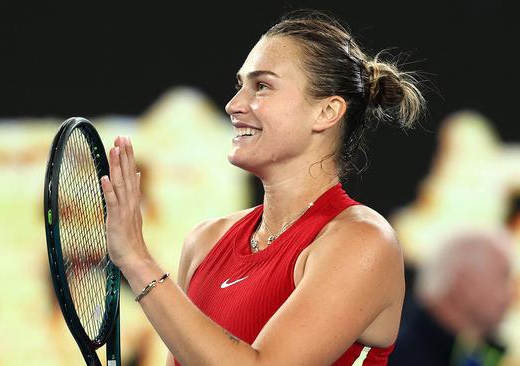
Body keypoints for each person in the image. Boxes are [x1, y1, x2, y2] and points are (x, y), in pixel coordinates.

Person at [100, 9, 426, 365]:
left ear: (327, 112)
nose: (234, 105)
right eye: (240, 85)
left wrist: (137, 260)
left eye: (262, 86)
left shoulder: (363, 242)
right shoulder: (205, 241)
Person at [389, 229, 514, 366]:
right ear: (464, 282)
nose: (511, 295)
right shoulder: (401, 353)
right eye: (503, 277)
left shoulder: (468, 351)